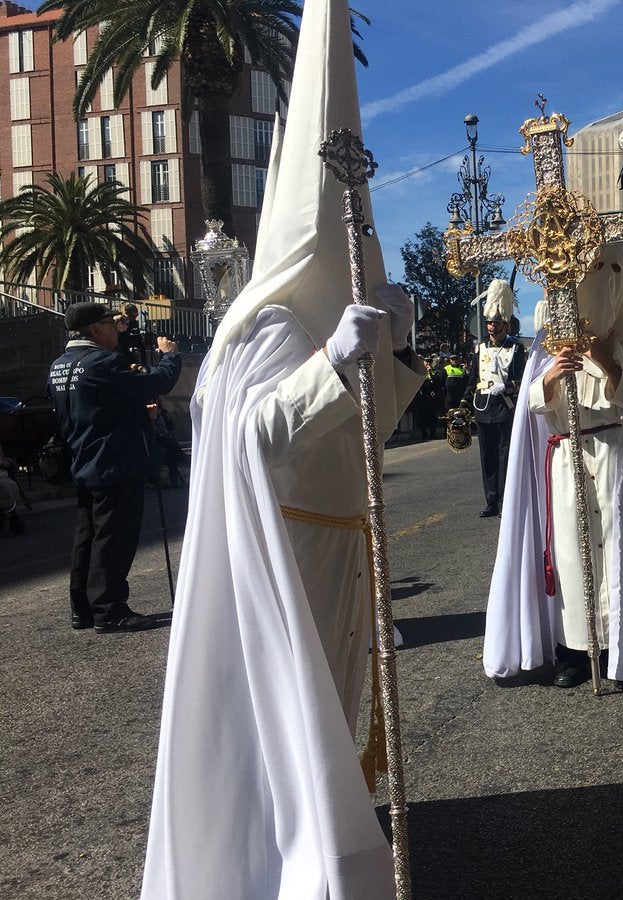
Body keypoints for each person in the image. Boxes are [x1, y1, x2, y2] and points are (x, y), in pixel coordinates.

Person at [141, 1, 423, 895]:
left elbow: (367, 432)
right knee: (281, 725)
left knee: (333, 720)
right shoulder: (264, 323)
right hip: (280, 553)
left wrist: (397, 359)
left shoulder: (328, 311)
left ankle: (329, 849)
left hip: (341, 540)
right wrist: (332, 364)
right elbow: (247, 435)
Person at [482, 241, 623, 690]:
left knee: (619, 549)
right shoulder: (547, 338)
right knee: (572, 555)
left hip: (617, 454)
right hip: (568, 455)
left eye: (610, 271)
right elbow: (531, 405)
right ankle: (575, 649)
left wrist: (606, 363)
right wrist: (550, 379)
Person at [47, 302, 181, 632]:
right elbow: (157, 381)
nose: (115, 329)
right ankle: (110, 609)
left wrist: (134, 412)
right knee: (113, 539)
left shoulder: (60, 365)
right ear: (94, 330)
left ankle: (84, 608)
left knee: (87, 537)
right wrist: (170, 355)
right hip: (114, 461)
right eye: (109, 323)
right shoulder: (104, 362)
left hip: (83, 459)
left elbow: (93, 408)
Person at [462, 279, 527, 517]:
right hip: (483, 407)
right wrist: (462, 406)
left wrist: (507, 386)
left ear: (506, 326)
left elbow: (523, 380)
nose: (491, 328)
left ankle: (505, 501)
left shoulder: (516, 349)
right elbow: (472, 380)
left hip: (505, 406)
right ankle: (491, 501)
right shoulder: (479, 349)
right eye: (489, 323)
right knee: (487, 457)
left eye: (496, 324)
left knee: (505, 457)